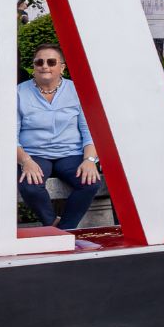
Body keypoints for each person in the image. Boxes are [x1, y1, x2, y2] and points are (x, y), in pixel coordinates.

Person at [14, 44, 103, 230]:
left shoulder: (78, 90)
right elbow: (11, 136)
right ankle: (54, 225)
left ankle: (64, 229)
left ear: (62, 67)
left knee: (90, 183)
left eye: (51, 62)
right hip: (34, 153)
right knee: (29, 185)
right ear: (34, 66)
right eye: (39, 62)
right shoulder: (19, 93)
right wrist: (25, 161)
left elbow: (89, 131)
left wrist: (89, 159)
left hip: (70, 153)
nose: (44, 66)